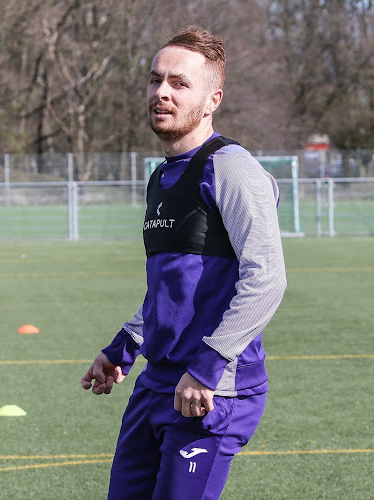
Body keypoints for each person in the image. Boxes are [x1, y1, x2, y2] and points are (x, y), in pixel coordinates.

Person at [81, 25, 287, 499]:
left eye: (179, 83)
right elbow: (170, 288)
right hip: (158, 383)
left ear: (213, 98)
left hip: (212, 390)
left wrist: (209, 365)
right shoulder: (162, 178)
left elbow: (267, 279)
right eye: (156, 80)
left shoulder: (232, 168)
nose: (162, 92)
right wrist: (123, 347)